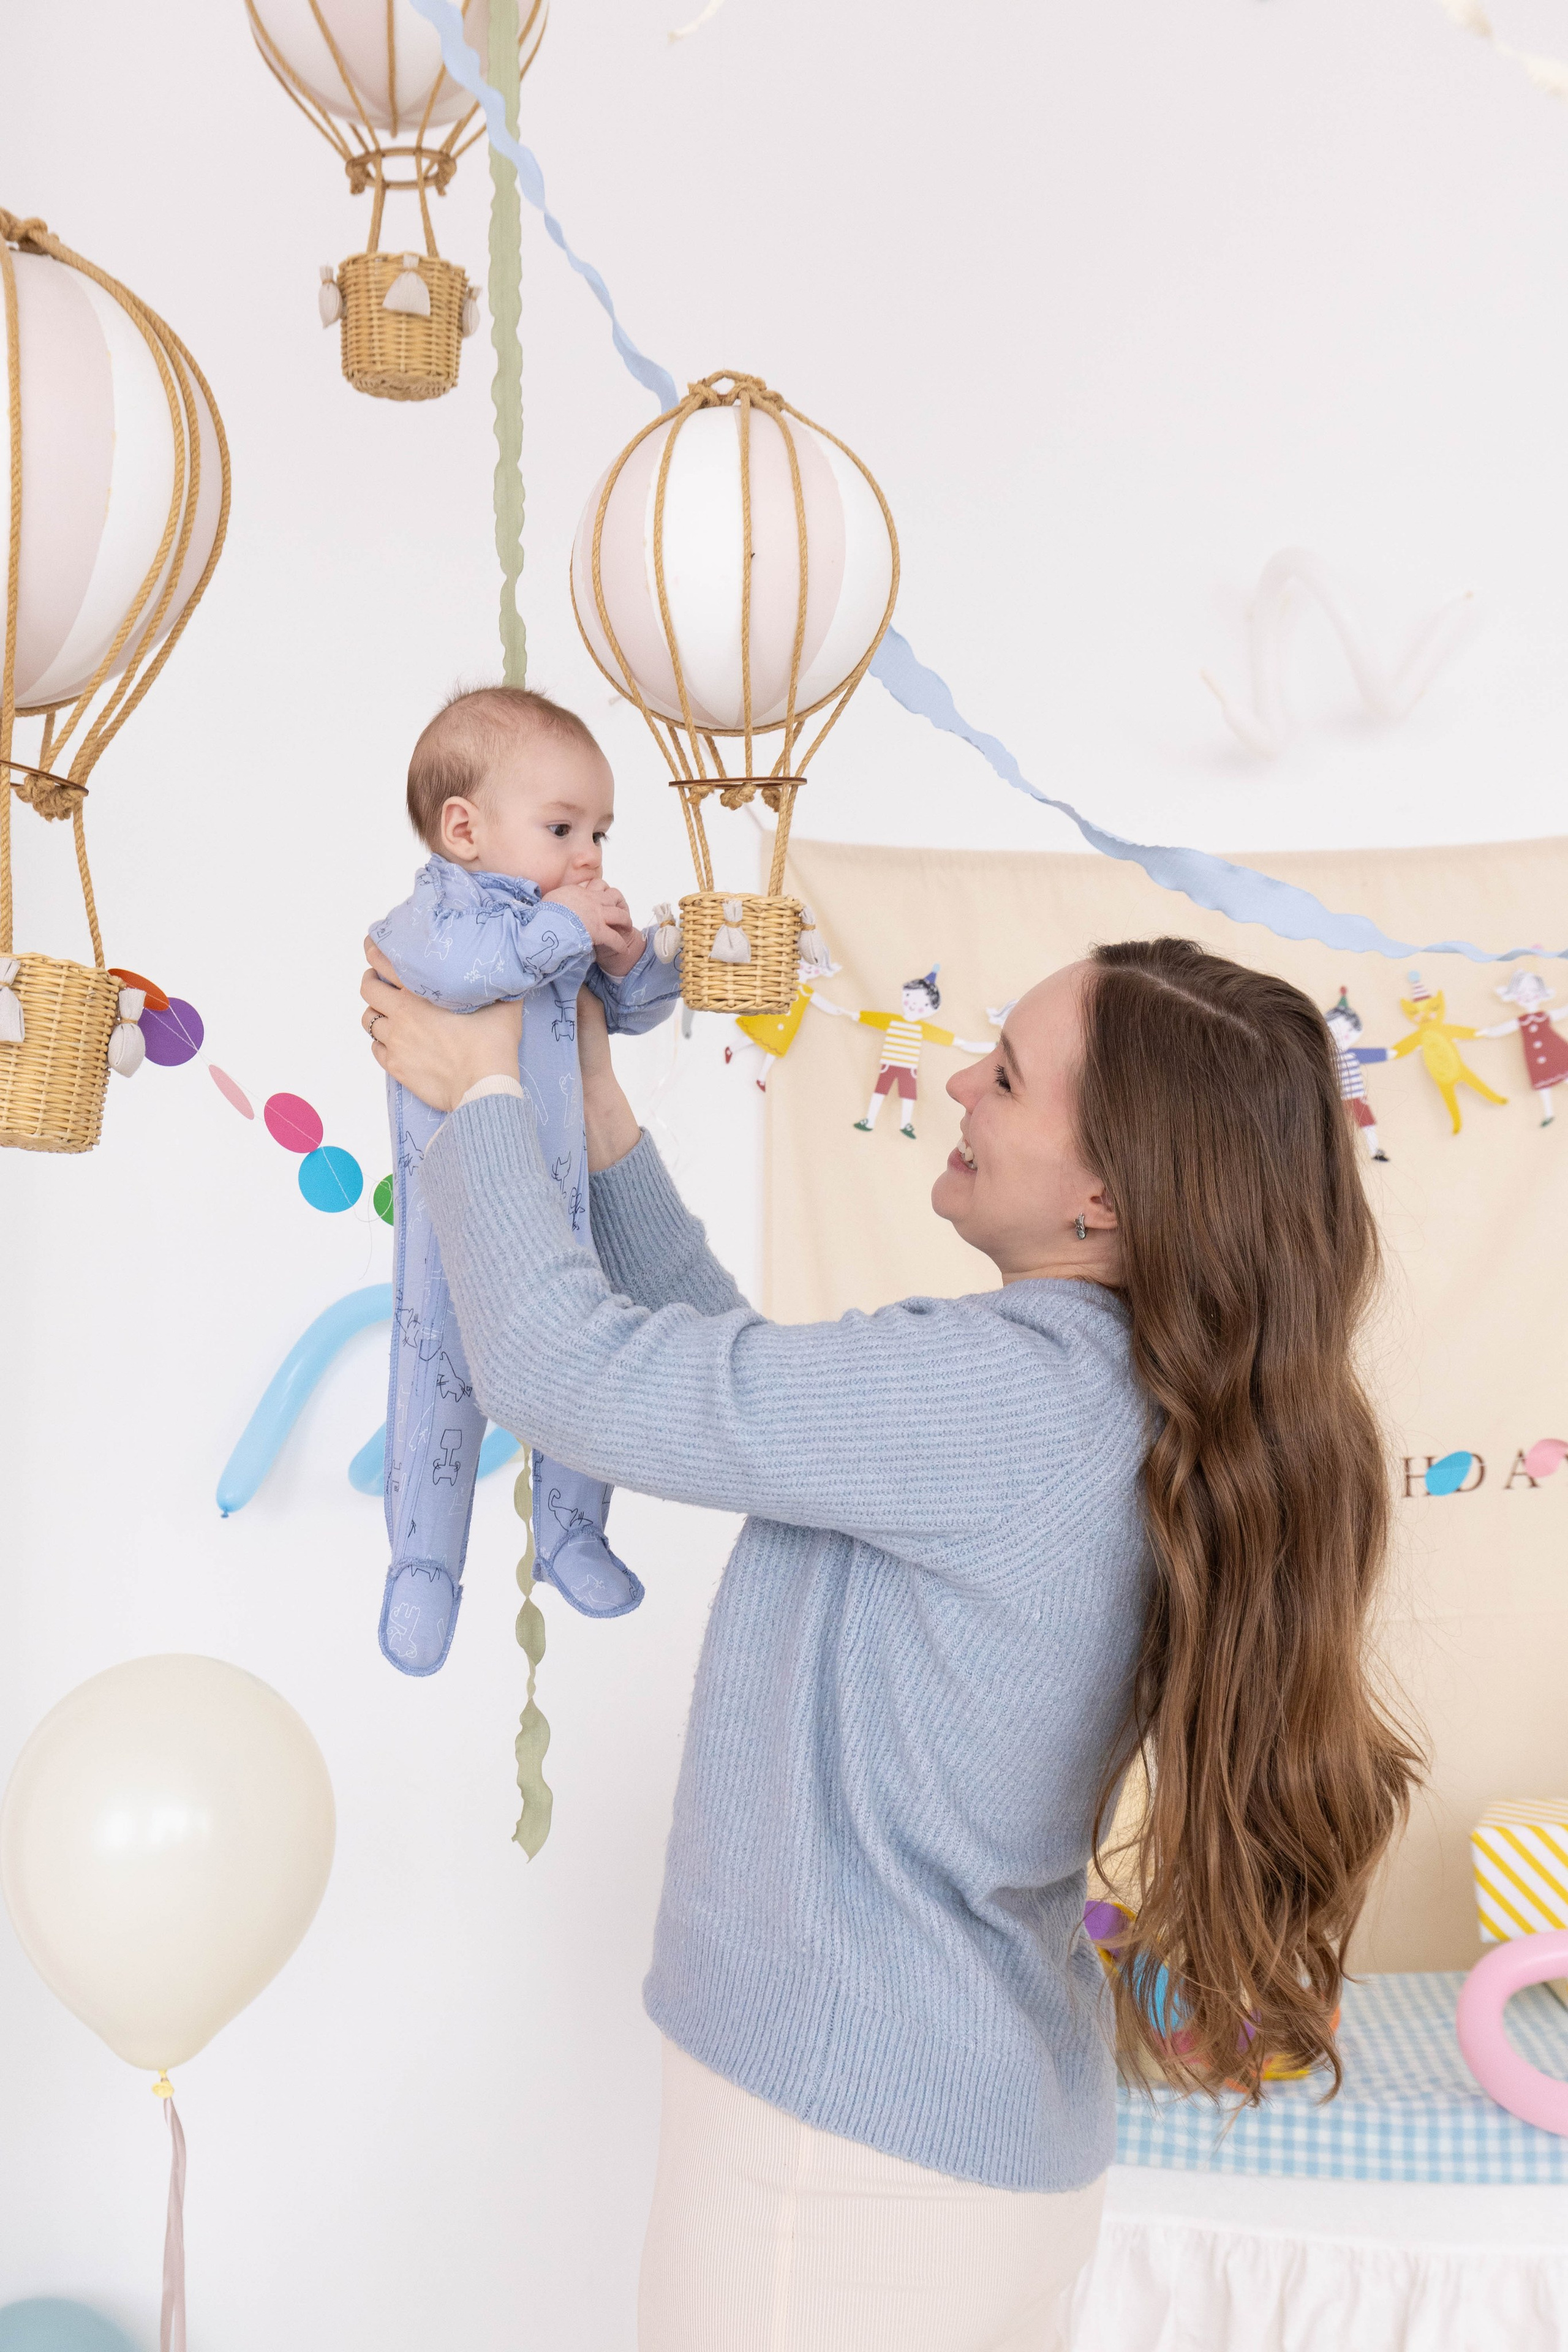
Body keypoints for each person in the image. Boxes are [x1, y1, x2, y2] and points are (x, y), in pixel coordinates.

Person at [358, 932, 1419, 2352]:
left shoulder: (1009, 1395)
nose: (960, 1087)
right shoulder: (1082, 1396)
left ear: (1105, 1194)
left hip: (847, 2160)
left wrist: (480, 1095)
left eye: (1009, 1075)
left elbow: (570, 1376)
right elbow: (734, 1388)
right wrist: (594, 1116)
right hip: (934, 2148)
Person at [368, 685, 680, 1676]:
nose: (589, 854)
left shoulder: (556, 918)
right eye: (562, 827)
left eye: (599, 831)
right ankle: (423, 1561)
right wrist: (566, 929)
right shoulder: (435, 916)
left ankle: (572, 1534)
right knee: (440, 1384)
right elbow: (467, 978)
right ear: (464, 829)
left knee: (584, 1370)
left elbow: (622, 1017)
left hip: (562, 1207)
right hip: (456, 1215)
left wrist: (632, 960)